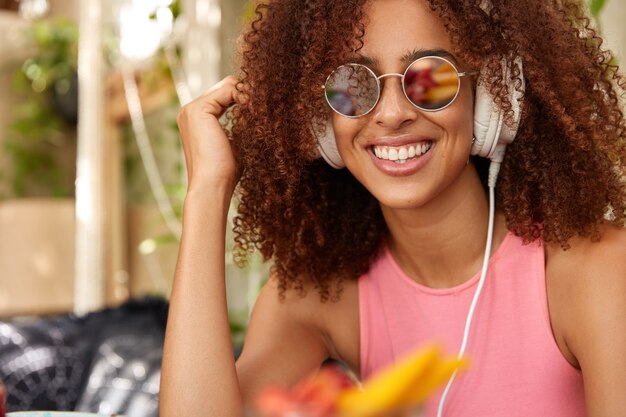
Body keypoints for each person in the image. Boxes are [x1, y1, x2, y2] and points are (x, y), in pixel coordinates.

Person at [159, 0, 626, 416]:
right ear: (322, 124)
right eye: (352, 86)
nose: (390, 113)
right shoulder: (320, 296)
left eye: (429, 78)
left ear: (491, 99)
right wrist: (207, 190)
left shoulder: (597, 272)